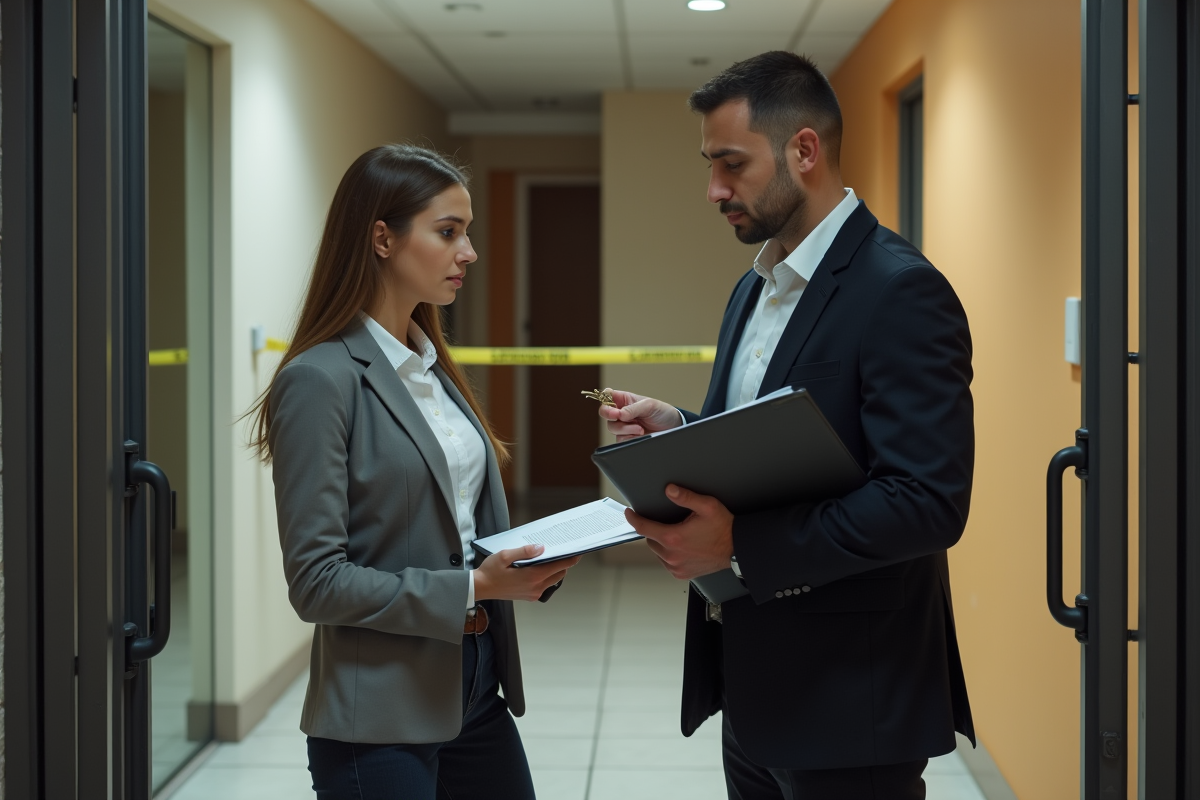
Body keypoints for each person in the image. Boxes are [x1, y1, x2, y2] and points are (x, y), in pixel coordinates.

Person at [599, 52, 975, 800]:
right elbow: (777, 441)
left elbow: (926, 502)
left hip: (850, 698)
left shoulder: (901, 292)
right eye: (710, 165)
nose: (714, 190)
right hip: (754, 680)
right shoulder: (757, 284)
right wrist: (681, 425)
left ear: (804, 151)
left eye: (732, 165)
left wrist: (738, 542)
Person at [249, 144, 579, 799]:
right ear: (381, 238)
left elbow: (451, 521)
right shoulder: (320, 381)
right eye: (449, 232)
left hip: (475, 685)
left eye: (470, 232)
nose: (470, 253)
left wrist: (514, 569)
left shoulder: (430, 368)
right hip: (378, 713)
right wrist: (471, 586)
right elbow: (317, 583)